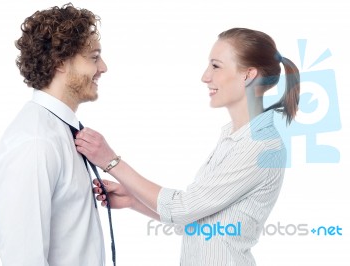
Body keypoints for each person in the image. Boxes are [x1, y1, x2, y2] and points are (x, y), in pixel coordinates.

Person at [75, 28, 300, 265]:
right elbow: (196, 221)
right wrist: (133, 200)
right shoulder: (234, 137)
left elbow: (184, 208)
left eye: (216, 66)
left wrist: (112, 162)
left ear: (248, 75)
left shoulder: (260, 145)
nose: (205, 76)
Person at [0, 3, 108, 265]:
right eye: (93, 57)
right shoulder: (35, 142)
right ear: (60, 63)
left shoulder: (61, 131)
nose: (103, 67)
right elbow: (23, 259)